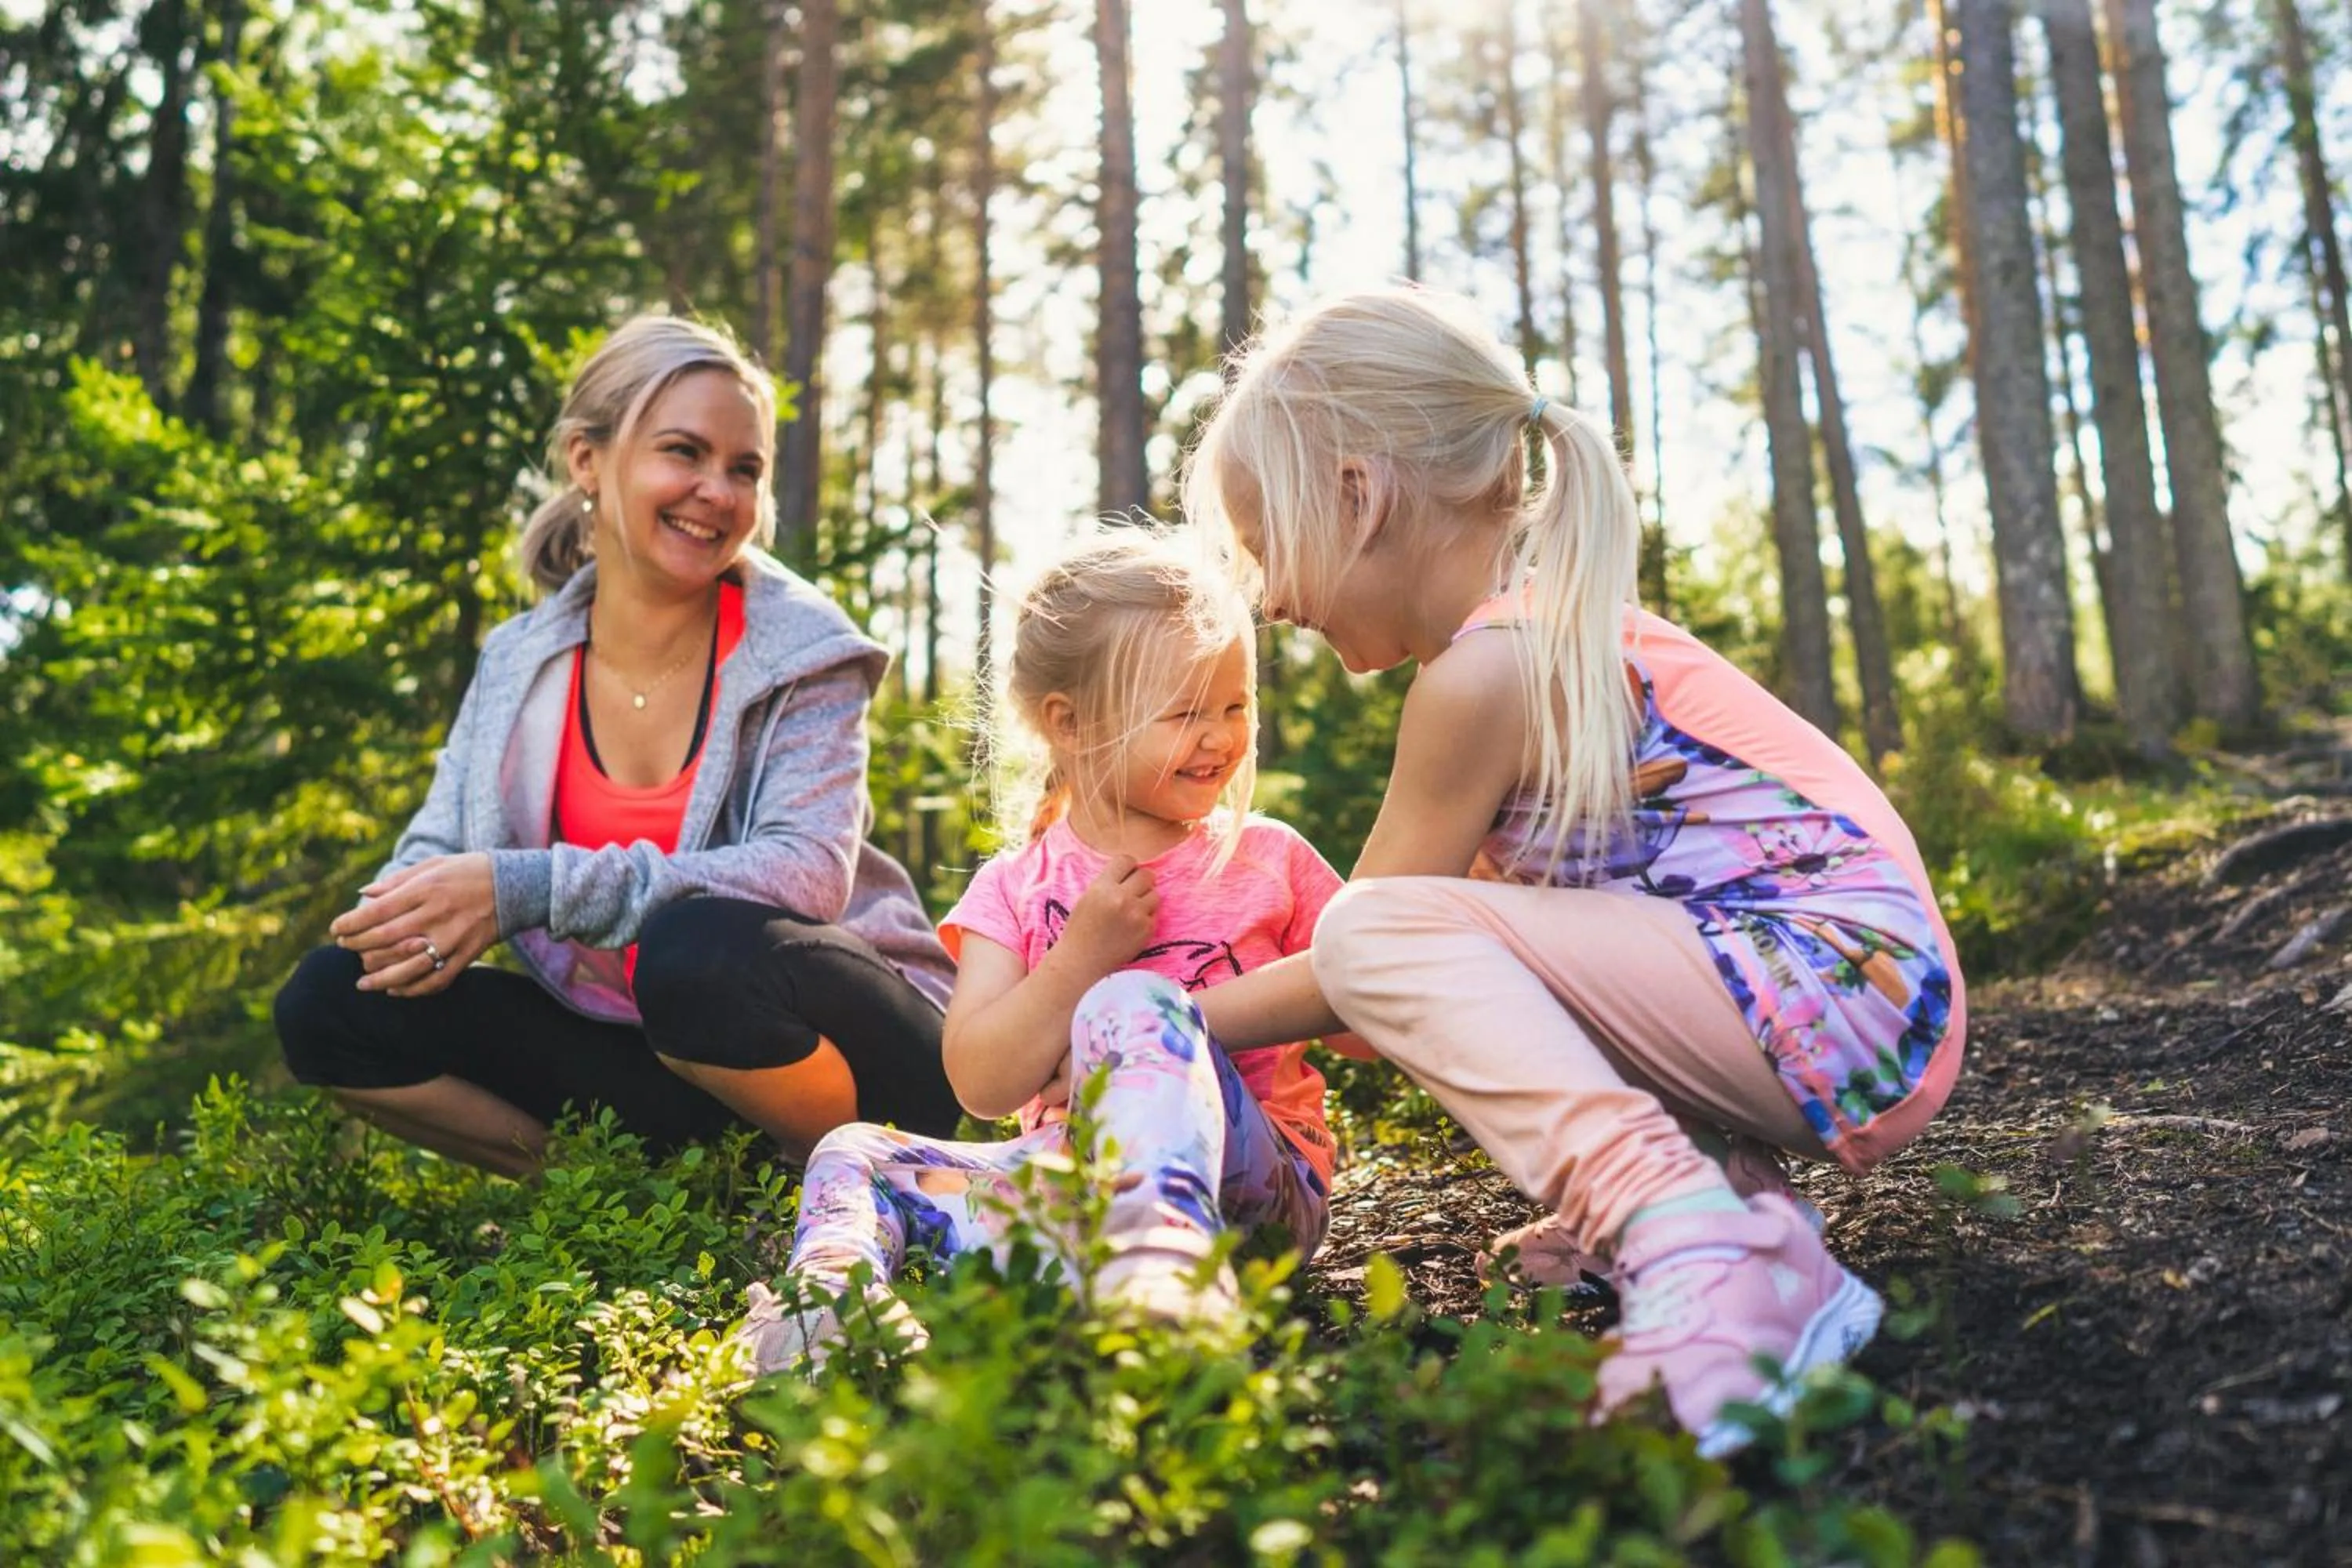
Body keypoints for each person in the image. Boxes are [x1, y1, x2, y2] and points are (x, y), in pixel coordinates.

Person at [1179, 287, 1966, 1458]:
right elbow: (1496, 970)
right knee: (1474, 929)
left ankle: (1698, 1246)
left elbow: (1362, 960)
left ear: (1357, 497)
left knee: (1377, 932)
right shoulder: (1538, 640)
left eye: (1264, 545)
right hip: (1855, 999)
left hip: (1837, 986)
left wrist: (1162, 1018)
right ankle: (1743, 1211)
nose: (1270, 596)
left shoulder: (1485, 675)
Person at [274, 315, 960, 1175]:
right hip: (657, 1048)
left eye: (743, 469)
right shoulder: (519, 662)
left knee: (696, 951)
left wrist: (526, 885)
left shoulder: (803, 650)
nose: (717, 489)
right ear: (587, 460)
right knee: (331, 998)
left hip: (860, 1053)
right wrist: (398, 924)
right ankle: (617, 1194)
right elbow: (440, 852)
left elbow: (805, 874)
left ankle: (841, 1189)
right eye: (684, 451)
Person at [736, 530, 1354, 1373]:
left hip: (1250, 1191)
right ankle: (831, 1306)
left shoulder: (1267, 855)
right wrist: (1077, 957)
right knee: (852, 1148)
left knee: (1131, 1004)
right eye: (1184, 712)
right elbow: (982, 1083)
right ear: (1070, 722)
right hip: (1069, 1188)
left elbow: (1366, 996)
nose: (1220, 736)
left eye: (1235, 705)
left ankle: (1163, 1275)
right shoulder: (1015, 887)